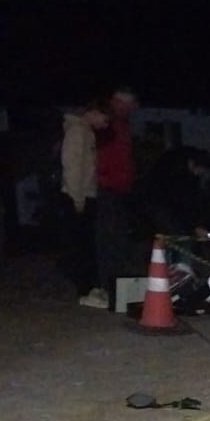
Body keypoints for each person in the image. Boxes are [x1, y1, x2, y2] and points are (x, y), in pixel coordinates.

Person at [59, 100, 109, 307]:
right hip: (77, 196)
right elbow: (72, 166)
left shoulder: (85, 131)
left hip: (85, 194)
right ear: (94, 112)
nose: (105, 125)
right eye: (105, 119)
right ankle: (85, 291)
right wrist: (77, 198)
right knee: (81, 246)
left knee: (88, 245)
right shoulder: (77, 131)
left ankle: (92, 288)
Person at [93, 86, 139, 304]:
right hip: (106, 188)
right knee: (109, 240)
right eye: (126, 104)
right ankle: (107, 287)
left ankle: (117, 288)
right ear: (116, 101)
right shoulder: (105, 122)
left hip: (119, 189)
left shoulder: (122, 124)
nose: (130, 108)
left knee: (119, 239)